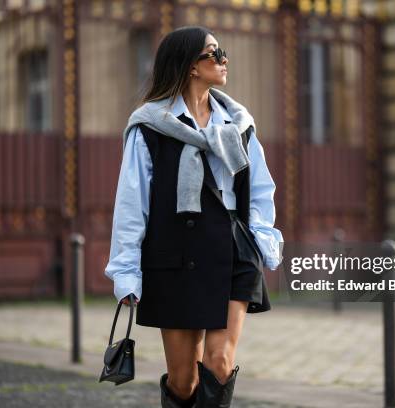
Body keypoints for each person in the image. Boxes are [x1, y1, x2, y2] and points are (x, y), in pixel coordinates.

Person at [104, 26, 284, 408]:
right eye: (214, 54)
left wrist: (260, 239)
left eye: (223, 52)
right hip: (175, 253)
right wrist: (126, 271)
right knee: (184, 381)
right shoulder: (150, 127)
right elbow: (131, 204)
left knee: (219, 363)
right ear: (189, 66)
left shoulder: (238, 125)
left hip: (231, 250)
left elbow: (260, 188)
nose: (224, 60)